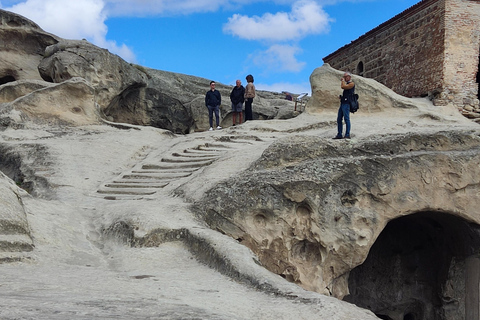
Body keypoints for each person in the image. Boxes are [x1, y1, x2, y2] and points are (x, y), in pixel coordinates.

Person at [333, 72, 355, 139]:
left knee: (346, 119)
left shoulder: (351, 84)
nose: (345, 78)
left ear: (349, 77)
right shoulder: (348, 84)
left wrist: (342, 81)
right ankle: (339, 134)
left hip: (347, 103)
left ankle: (347, 134)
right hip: (343, 103)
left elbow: (343, 87)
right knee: (339, 119)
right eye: (344, 77)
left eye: (346, 77)